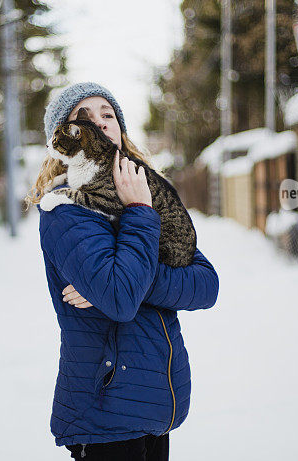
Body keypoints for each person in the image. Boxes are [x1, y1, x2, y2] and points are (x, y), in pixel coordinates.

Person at [25, 82, 219, 461]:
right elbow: (120, 299)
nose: (98, 123)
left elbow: (205, 285)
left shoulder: (146, 190)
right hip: (105, 415)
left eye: (107, 114)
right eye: (83, 118)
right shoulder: (65, 211)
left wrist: (124, 279)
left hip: (153, 407)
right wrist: (140, 216)